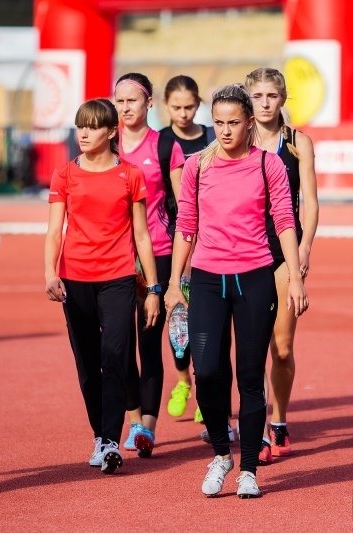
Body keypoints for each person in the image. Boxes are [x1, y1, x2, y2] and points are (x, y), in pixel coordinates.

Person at [164, 83, 308, 498]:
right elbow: (185, 225)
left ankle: (248, 469)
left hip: (255, 278)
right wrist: (174, 282)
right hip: (208, 279)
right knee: (207, 372)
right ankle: (220, 454)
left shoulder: (268, 164)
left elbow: (285, 220)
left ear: (248, 123)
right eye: (219, 123)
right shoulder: (197, 165)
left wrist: (295, 277)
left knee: (249, 376)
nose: (225, 131)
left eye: (233, 123)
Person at [44, 98, 160, 474]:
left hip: (118, 278)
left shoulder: (130, 175)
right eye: (81, 126)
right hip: (75, 280)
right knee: (87, 365)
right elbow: (54, 231)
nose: (84, 133)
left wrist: (153, 289)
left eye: (93, 127)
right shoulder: (64, 174)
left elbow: (142, 235)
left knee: (115, 358)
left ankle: (110, 440)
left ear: (112, 132)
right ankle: (100, 436)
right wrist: (49, 273)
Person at [245, 67, 319, 465]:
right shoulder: (238, 139)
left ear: (283, 99)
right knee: (251, 349)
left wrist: (304, 249)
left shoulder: (297, 143)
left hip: (284, 252)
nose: (264, 104)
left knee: (283, 348)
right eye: (257, 96)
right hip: (246, 250)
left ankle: (279, 420)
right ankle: (255, 430)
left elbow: (311, 201)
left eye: (271, 96)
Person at [114, 72, 185, 458]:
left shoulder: (165, 146)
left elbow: (184, 207)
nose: (125, 108)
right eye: (119, 101)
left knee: (148, 343)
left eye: (132, 101)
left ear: (149, 103)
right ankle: (133, 420)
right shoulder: (107, 143)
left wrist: (182, 266)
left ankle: (147, 428)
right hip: (113, 256)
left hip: (155, 254)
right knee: (118, 346)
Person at [156, 74, 216, 423]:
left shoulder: (211, 138)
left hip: (211, 240)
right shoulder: (161, 142)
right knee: (177, 315)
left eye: (189, 107)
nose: (183, 113)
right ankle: (182, 381)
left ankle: (206, 387)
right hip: (173, 239)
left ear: (198, 105)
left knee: (207, 318)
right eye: (176, 107)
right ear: (166, 105)